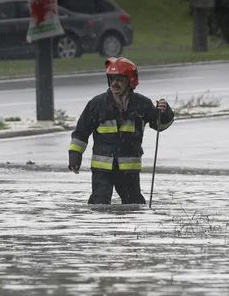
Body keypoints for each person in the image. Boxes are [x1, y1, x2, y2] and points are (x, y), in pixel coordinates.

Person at [67, 57, 174, 204]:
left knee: (134, 205)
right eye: (112, 79)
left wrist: (165, 112)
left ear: (130, 81)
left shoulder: (142, 104)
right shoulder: (97, 104)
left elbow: (160, 125)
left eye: (120, 79)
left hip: (129, 169)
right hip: (102, 169)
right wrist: (75, 155)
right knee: (99, 205)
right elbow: (81, 132)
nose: (114, 83)